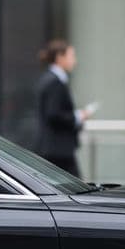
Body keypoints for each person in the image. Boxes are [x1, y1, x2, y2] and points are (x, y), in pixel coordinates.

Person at [34, 39, 94, 178]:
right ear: (60, 57)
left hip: (55, 148)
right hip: (58, 149)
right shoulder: (55, 82)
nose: (74, 61)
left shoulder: (51, 79)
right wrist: (78, 116)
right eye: (71, 56)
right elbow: (53, 114)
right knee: (76, 186)